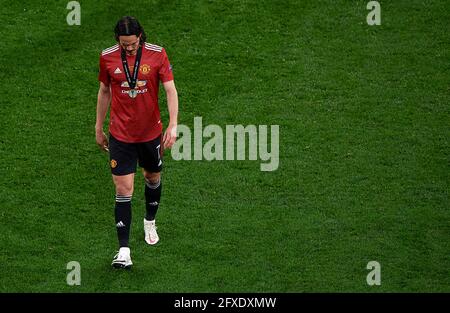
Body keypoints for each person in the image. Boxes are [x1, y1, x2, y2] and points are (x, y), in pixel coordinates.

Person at [95, 16, 178, 269]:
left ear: (140, 36)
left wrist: (173, 124)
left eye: (131, 44)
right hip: (120, 134)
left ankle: (149, 220)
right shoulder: (108, 57)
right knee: (123, 189)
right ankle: (124, 250)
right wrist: (99, 126)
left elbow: (170, 90)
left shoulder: (157, 54)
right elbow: (105, 91)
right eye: (123, 44)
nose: (128, 48)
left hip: (150, 133)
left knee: (152, 177)